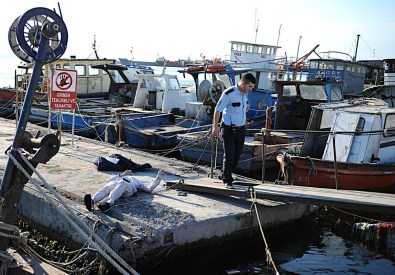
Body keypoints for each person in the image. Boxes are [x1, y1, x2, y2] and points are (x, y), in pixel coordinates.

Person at [212, 73, 256, 189]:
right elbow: (217, 110)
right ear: (243, 83)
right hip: (228, 129)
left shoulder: (244, 94)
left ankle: (223, 174)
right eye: (250, 87)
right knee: (229, 156)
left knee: (237, 156)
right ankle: (227, 180)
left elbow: (244, 107)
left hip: (241, 129)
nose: (251, 90)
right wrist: (215, 127)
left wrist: (246, 107)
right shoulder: (229, 93)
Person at [84, 169, 165, 212]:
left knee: (122, 183)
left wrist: (158, 178)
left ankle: (107, 203)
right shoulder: (120, 176)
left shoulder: (137, 181)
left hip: (128, 188)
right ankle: (92, 201)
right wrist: (122, 174)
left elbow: (149, 189)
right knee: (107, 187)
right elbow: (108, 180)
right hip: (117, 183)